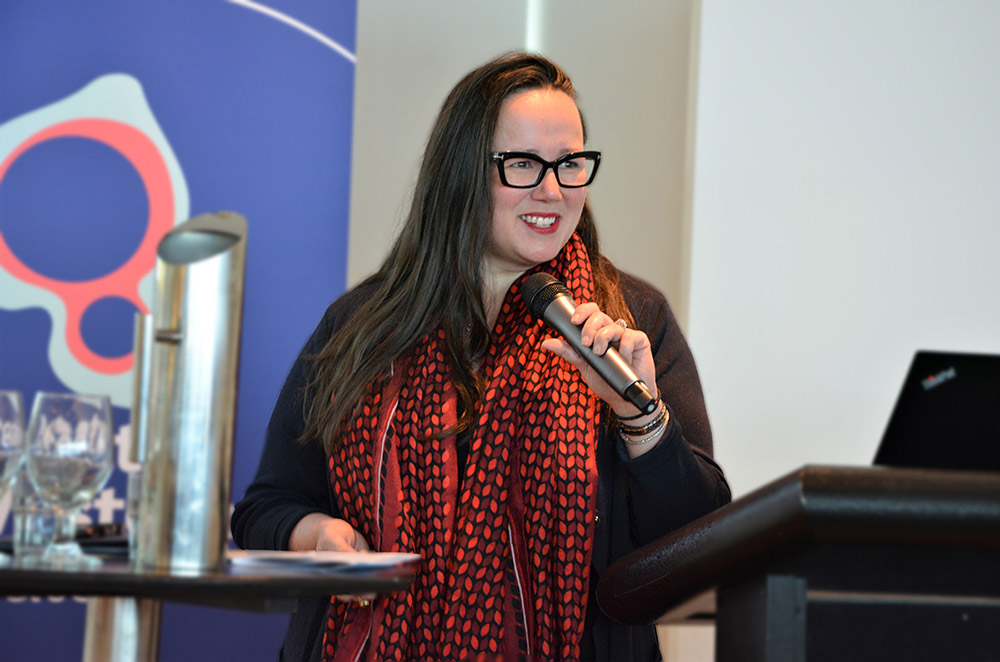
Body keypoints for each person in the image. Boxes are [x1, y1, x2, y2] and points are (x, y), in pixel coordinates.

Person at [231, 52, 730, 662]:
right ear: (462, 173)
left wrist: (642, 421)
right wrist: (315, 535)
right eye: (522, 164)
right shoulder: (363, 324)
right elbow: (266, 508)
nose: (553, 189)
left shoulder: (630, 318)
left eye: (570, 163)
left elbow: (695, 541)